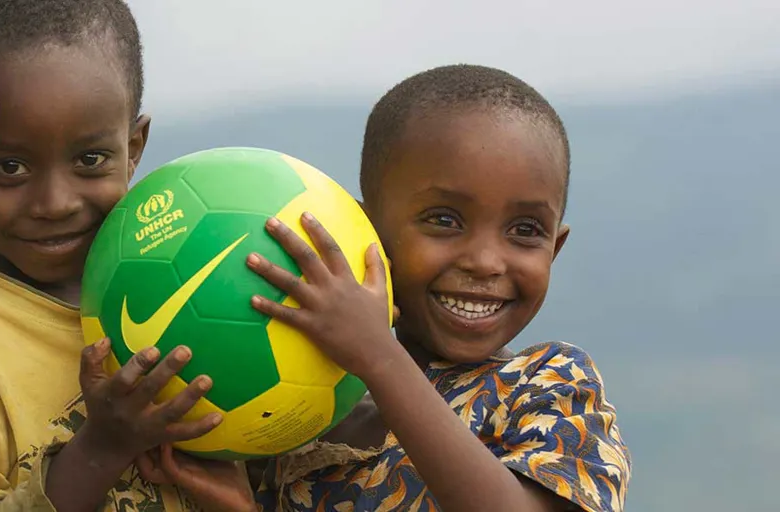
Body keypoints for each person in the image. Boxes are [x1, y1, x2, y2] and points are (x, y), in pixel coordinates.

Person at [0, 1, 253, 510]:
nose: (55, 203)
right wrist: (101, 448)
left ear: (134, 148)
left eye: (89, 160)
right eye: (10, 167)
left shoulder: (193, 286)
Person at [236, 64, 631, 511]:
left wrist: (380, 359)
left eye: (525, 230)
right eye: (444, 221)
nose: (485, 262)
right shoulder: (298, 414)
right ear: (365, 232)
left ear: (554, 249)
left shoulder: (549, 388)